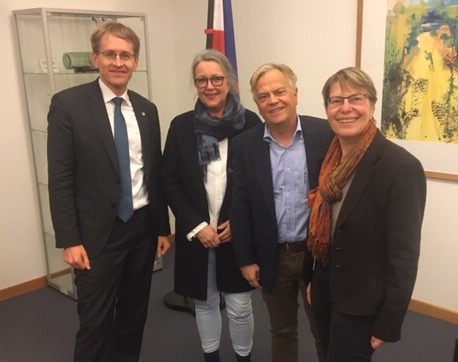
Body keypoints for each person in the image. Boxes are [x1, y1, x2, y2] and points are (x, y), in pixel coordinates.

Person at [47, 22, 171, 362]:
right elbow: (59, 178)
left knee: (134, 317)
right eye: (111, 54)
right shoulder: (68, 104)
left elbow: (154, 173)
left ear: (135, 61)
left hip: (141, 230)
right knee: (95, 323)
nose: (119, 62)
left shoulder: (147, 109)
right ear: (96, 58)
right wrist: (69, 239)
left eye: (126, 55)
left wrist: (162, 227)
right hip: (95, 237)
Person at [305, 67, 427, 362]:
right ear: (327, 109)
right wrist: (312, 279)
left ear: (372, 105)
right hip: (323, 287)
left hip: (362, 302)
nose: (345, 108)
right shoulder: (329, 160)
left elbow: (404, 255)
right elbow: (324, 226)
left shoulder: (400, 167)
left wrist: (390, 319)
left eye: (355, 99)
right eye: (336, 101)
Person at [161, 49, 262, 362]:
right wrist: (196, 225)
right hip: (198, 232)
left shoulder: (250, 123)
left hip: (236, 231)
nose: (210, 85)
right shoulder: (181, 126)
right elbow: (169, 181)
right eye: (201, 79)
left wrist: (240, 220)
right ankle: (212, 358)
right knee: (204, 302)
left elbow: (260, 181)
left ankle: (243, 357)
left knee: (240, 304)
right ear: (195, 84)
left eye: (216, 78)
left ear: (229, 81)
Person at [230, 63, 334, 362]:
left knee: (323, 329)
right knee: (282, 331)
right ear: (257, 103)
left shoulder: (325, 134)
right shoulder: (245, 145)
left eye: (279, 92)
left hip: (317, 255)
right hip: (273, 256)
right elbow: (241, 205)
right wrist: (246, 259)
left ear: (295, 94)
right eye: (264, 96)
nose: (273, 101)